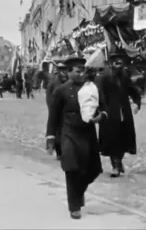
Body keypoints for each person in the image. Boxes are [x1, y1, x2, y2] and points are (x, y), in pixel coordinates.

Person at [46, 57, 105, 220]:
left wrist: (100, 116)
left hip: (88, 133)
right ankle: (75, 206)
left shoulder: (91, 88)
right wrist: (51, 139)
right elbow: (53, 116)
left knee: (92, 170)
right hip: (69, 134)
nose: (81, 74)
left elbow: (103, 108)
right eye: (77, 71)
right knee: (72, 169)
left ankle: (78, 192)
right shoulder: (61, 91)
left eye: (83, 71)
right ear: (69, 72)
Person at [96, 52, 141, 178]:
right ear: (111, 64)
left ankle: (119, 161)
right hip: (109, 113)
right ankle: (115, 165)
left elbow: (132, 90)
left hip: (124, 112)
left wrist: (137, 103)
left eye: (121, 63)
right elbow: (99, 95)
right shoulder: (103, 77)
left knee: (124, 139)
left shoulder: (125, 76)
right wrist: (102, 110)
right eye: (116, 63)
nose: (119, 66)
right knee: (112, 140)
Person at [45, 62, 69, 160]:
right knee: (57, 132)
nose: (64, 72)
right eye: (61, 70)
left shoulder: (69, 82)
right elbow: (49, 97)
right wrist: (52, 109)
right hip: (56, 111)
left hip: (67, 111)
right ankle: (58, 151)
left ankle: (66, 150)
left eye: (65, 70)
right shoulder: (53, 84)